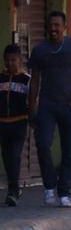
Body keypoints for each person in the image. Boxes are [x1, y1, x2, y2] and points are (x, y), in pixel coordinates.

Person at [27, 9, 71, 207]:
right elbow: (35, 81)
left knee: (68, 151)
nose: (53, 29)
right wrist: (32, 107)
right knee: (42, 143)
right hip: (47, 106)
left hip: (69, 106)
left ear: (64, 27)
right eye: (51, 25)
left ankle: (64, 193)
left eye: (57, 25)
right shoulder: (40, 50)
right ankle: (49, 187)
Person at [0, 43, 29, 206]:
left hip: (19, 123)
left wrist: (33, 119)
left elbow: (33, 101)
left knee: (14, 155)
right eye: (7, 60)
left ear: (20, 60)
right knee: (6, 157)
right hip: (2, 124)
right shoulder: (0, 78)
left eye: (13, 60)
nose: (10, 63)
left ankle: (12, 192)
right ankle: (15, 188)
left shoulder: (26, 79)